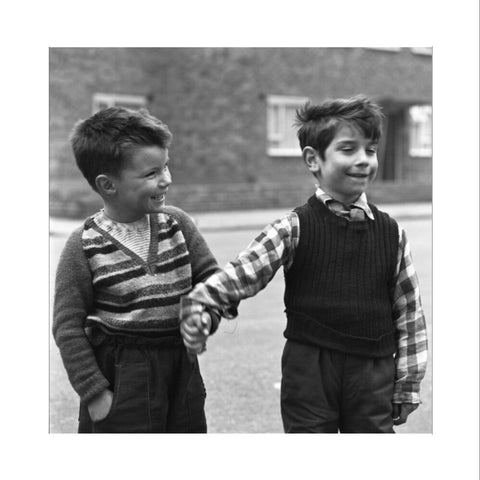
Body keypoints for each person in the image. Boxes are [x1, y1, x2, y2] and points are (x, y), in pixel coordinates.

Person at [180, 95, 428, 433]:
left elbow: (409, 311)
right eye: (348, 149)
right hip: (310, 368)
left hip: (373, 369)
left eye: (370, 150)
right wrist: (203, 300)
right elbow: (245, 271)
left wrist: (408, 382)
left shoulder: (391, 233)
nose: (363, 160)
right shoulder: (294, 227)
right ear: (314, 159)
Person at [53, 107, 219, 433]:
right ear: (108, 185)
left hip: (181, 369)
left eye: (166, 167)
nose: (167, 179)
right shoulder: (83, 245)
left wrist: (206, 314)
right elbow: (67, 327)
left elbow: (213, 280)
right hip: (121, 375)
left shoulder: (178, 224)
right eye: (151, 174)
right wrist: (95, 392)